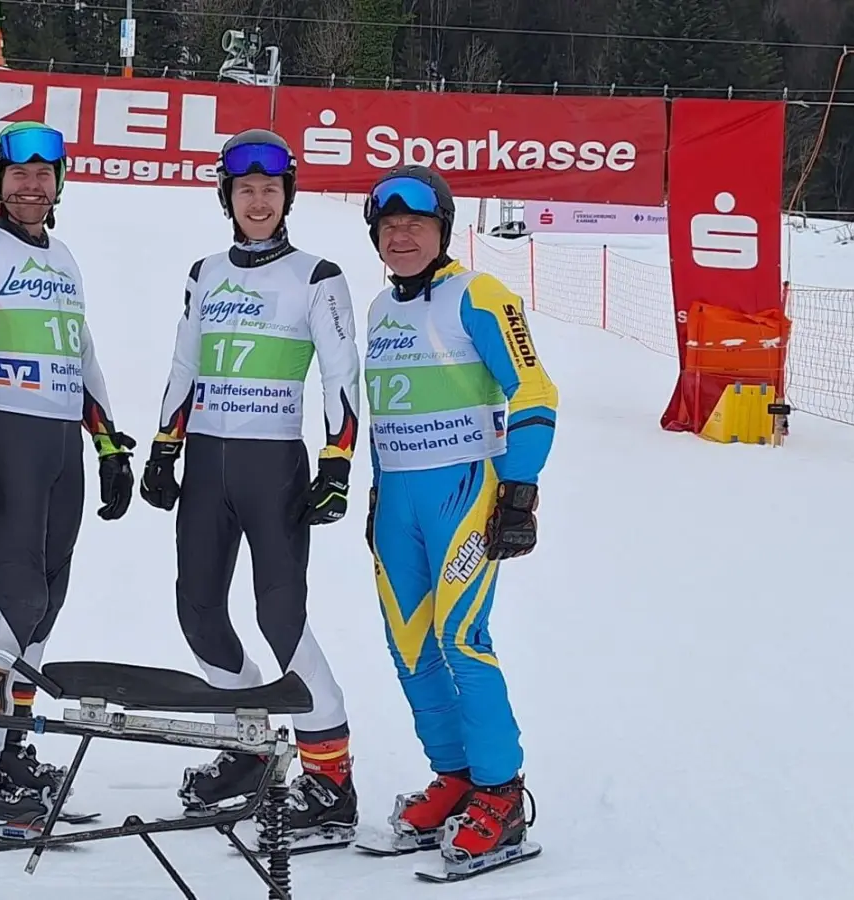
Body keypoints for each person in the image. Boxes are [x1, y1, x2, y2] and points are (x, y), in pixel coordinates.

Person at [138, 128, 362, 841]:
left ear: (287, 196)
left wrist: (336, 461)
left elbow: (340, 374)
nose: (258, 201)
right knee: (199, 614)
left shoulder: (318, 275)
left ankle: (331, 783)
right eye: (245, 190)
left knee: (280, 619)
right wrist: (163, 446)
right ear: (227, 198)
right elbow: (184, 364)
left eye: (270, 189)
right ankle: (249, 748)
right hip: (206, 462)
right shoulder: (204, 271)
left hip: (273, 467)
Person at [0, 120, 137, 833]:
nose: (31, 185)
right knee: (16, 596)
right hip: (2, 437)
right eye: (18, 174)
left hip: (58, 446)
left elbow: (81, 354)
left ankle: (8, 747)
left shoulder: (65, 257)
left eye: (44, 174)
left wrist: (108, 445)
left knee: (46, 600)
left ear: (60, 183)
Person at [359, 164, 556, 870]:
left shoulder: (479, 293)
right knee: (408, 645)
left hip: (466, 496)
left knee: (461, 637)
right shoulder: (381, 309)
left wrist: (519, 490)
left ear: (442, 229)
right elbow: (388, 414)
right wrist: (378, 495)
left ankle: (502, 792)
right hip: (399, 505)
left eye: (416, 224)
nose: (402, 236)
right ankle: (456, 774)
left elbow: (534, 388)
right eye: (389, 226)